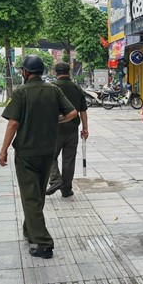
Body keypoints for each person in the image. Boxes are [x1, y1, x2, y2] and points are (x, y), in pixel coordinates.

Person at [0, 55, 77, 258]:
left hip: (26, 152)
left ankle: (43, 243)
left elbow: (13, 123)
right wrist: (56, 121)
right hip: (47, 152)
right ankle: (29, 230)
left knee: (31, 196)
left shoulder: (21, 92)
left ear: (25, 72)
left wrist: (3, 149)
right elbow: (72, 113)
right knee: (37, 194)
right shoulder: (54, 90)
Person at [46, 62, 89, 198]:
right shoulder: (77, 88)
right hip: (72, 130)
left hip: (55, 129)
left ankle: (55, 179)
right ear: (69, 72)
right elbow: (83, 111)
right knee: (69, 160)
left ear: (55, 72)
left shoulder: (52, 88)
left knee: (50, 156)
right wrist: (85, 129)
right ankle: (66, 189)